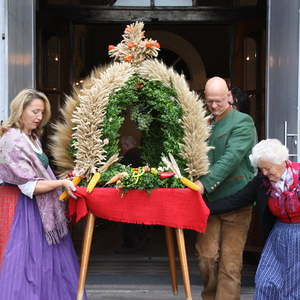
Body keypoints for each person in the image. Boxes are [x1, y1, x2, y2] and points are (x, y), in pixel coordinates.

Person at [0, 89, 86, 299]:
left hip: (37, 207)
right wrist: (61, 182)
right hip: (22, 207)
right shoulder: (13, 141)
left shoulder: (32, 138)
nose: (39, 117)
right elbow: (30, 185)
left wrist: (66, 178)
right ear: (20, 110)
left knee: (46, 261)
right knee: (27, 263)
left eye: (42, 113)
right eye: (35, 112)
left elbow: (41, 175)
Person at [208, 138, 300, 300]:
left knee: (293, 288)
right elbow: (237, 200)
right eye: (261, 168)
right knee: (265, 281)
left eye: (267, 168)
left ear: (282, 162)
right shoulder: (262, 182)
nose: (264, 173)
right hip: (278, 236)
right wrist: (203, 209)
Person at [195, 76, 257, 300]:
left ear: (229, 96)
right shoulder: (204, 123)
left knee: (230, 265)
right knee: (206, 258)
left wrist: (204, 184)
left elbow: (231, 159)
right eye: (209, 101)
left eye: (218, 101)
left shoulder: (243, 122)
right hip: (209, 204)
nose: (213, 106)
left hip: (237, 202)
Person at [115, 135, 147, 253]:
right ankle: (140, 242)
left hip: (130, 193)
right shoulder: (142, 154)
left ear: (126, 145)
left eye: (122, 146)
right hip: (142, 192)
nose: (122, 148)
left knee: (128, 221)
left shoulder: (128, 156)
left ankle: (130, 245)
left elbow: (121, 173)